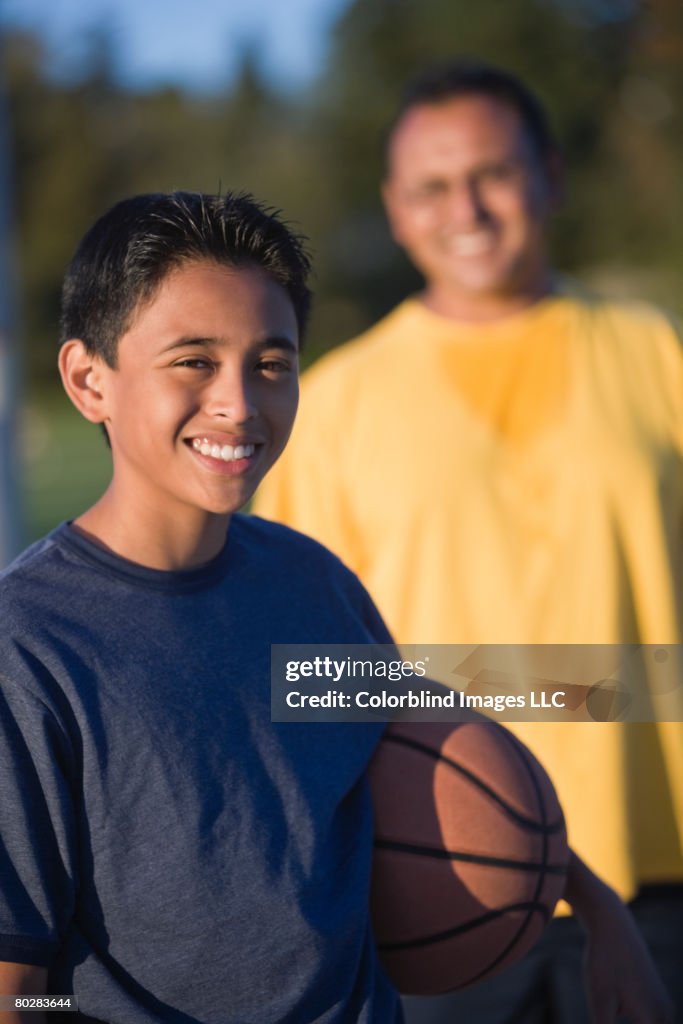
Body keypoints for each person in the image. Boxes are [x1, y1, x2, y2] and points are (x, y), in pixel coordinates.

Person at [0, 191, 671, 1024]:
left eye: (271, 363)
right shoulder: (30, 647)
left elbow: (441, 749)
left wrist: (598, 909)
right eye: (193, 361)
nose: (240, 402)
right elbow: (20, 987)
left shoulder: (307, 585)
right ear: (87, 381)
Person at [254, 61, 683, 1023]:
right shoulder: (334, 403)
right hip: (436, 865)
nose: (467, 208)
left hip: (655, 863)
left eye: (492, 172)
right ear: (395, 210)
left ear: (550, 178)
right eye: (433, 187)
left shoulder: (655, 353)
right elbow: (302, 671)